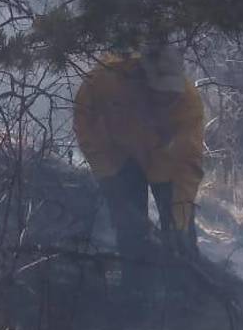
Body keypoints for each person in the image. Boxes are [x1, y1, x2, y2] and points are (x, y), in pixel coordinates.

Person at [73, 45, 205, 299]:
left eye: (170, 92)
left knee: (181, 234)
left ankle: (188, 297)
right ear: (142, 76)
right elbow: (84, 120)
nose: (166, 98)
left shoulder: (187, 102)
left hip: (163, 162)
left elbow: (188, 165)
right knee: (129, 227)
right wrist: (107, 173)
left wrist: (179, 218)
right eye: (159, 91)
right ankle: (136, 294)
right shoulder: (107, 78)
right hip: (119, 158)